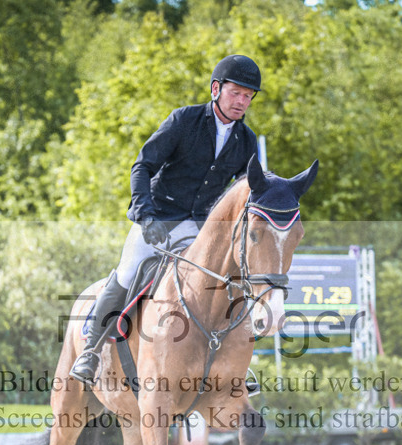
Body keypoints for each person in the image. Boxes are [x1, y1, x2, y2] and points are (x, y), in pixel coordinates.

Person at [69, 55, 262, 385]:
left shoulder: (246, 140)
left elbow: (248, 191)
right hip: (159, 217)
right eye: (235, 93)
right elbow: (142, 167)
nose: (241, 102)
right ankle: (91, 349)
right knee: (129, 271)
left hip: (200, 227)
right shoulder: (184, 120)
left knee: (227, 281)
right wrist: (145, 216)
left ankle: (235, 365)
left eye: (248, 96)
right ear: (216, 89)